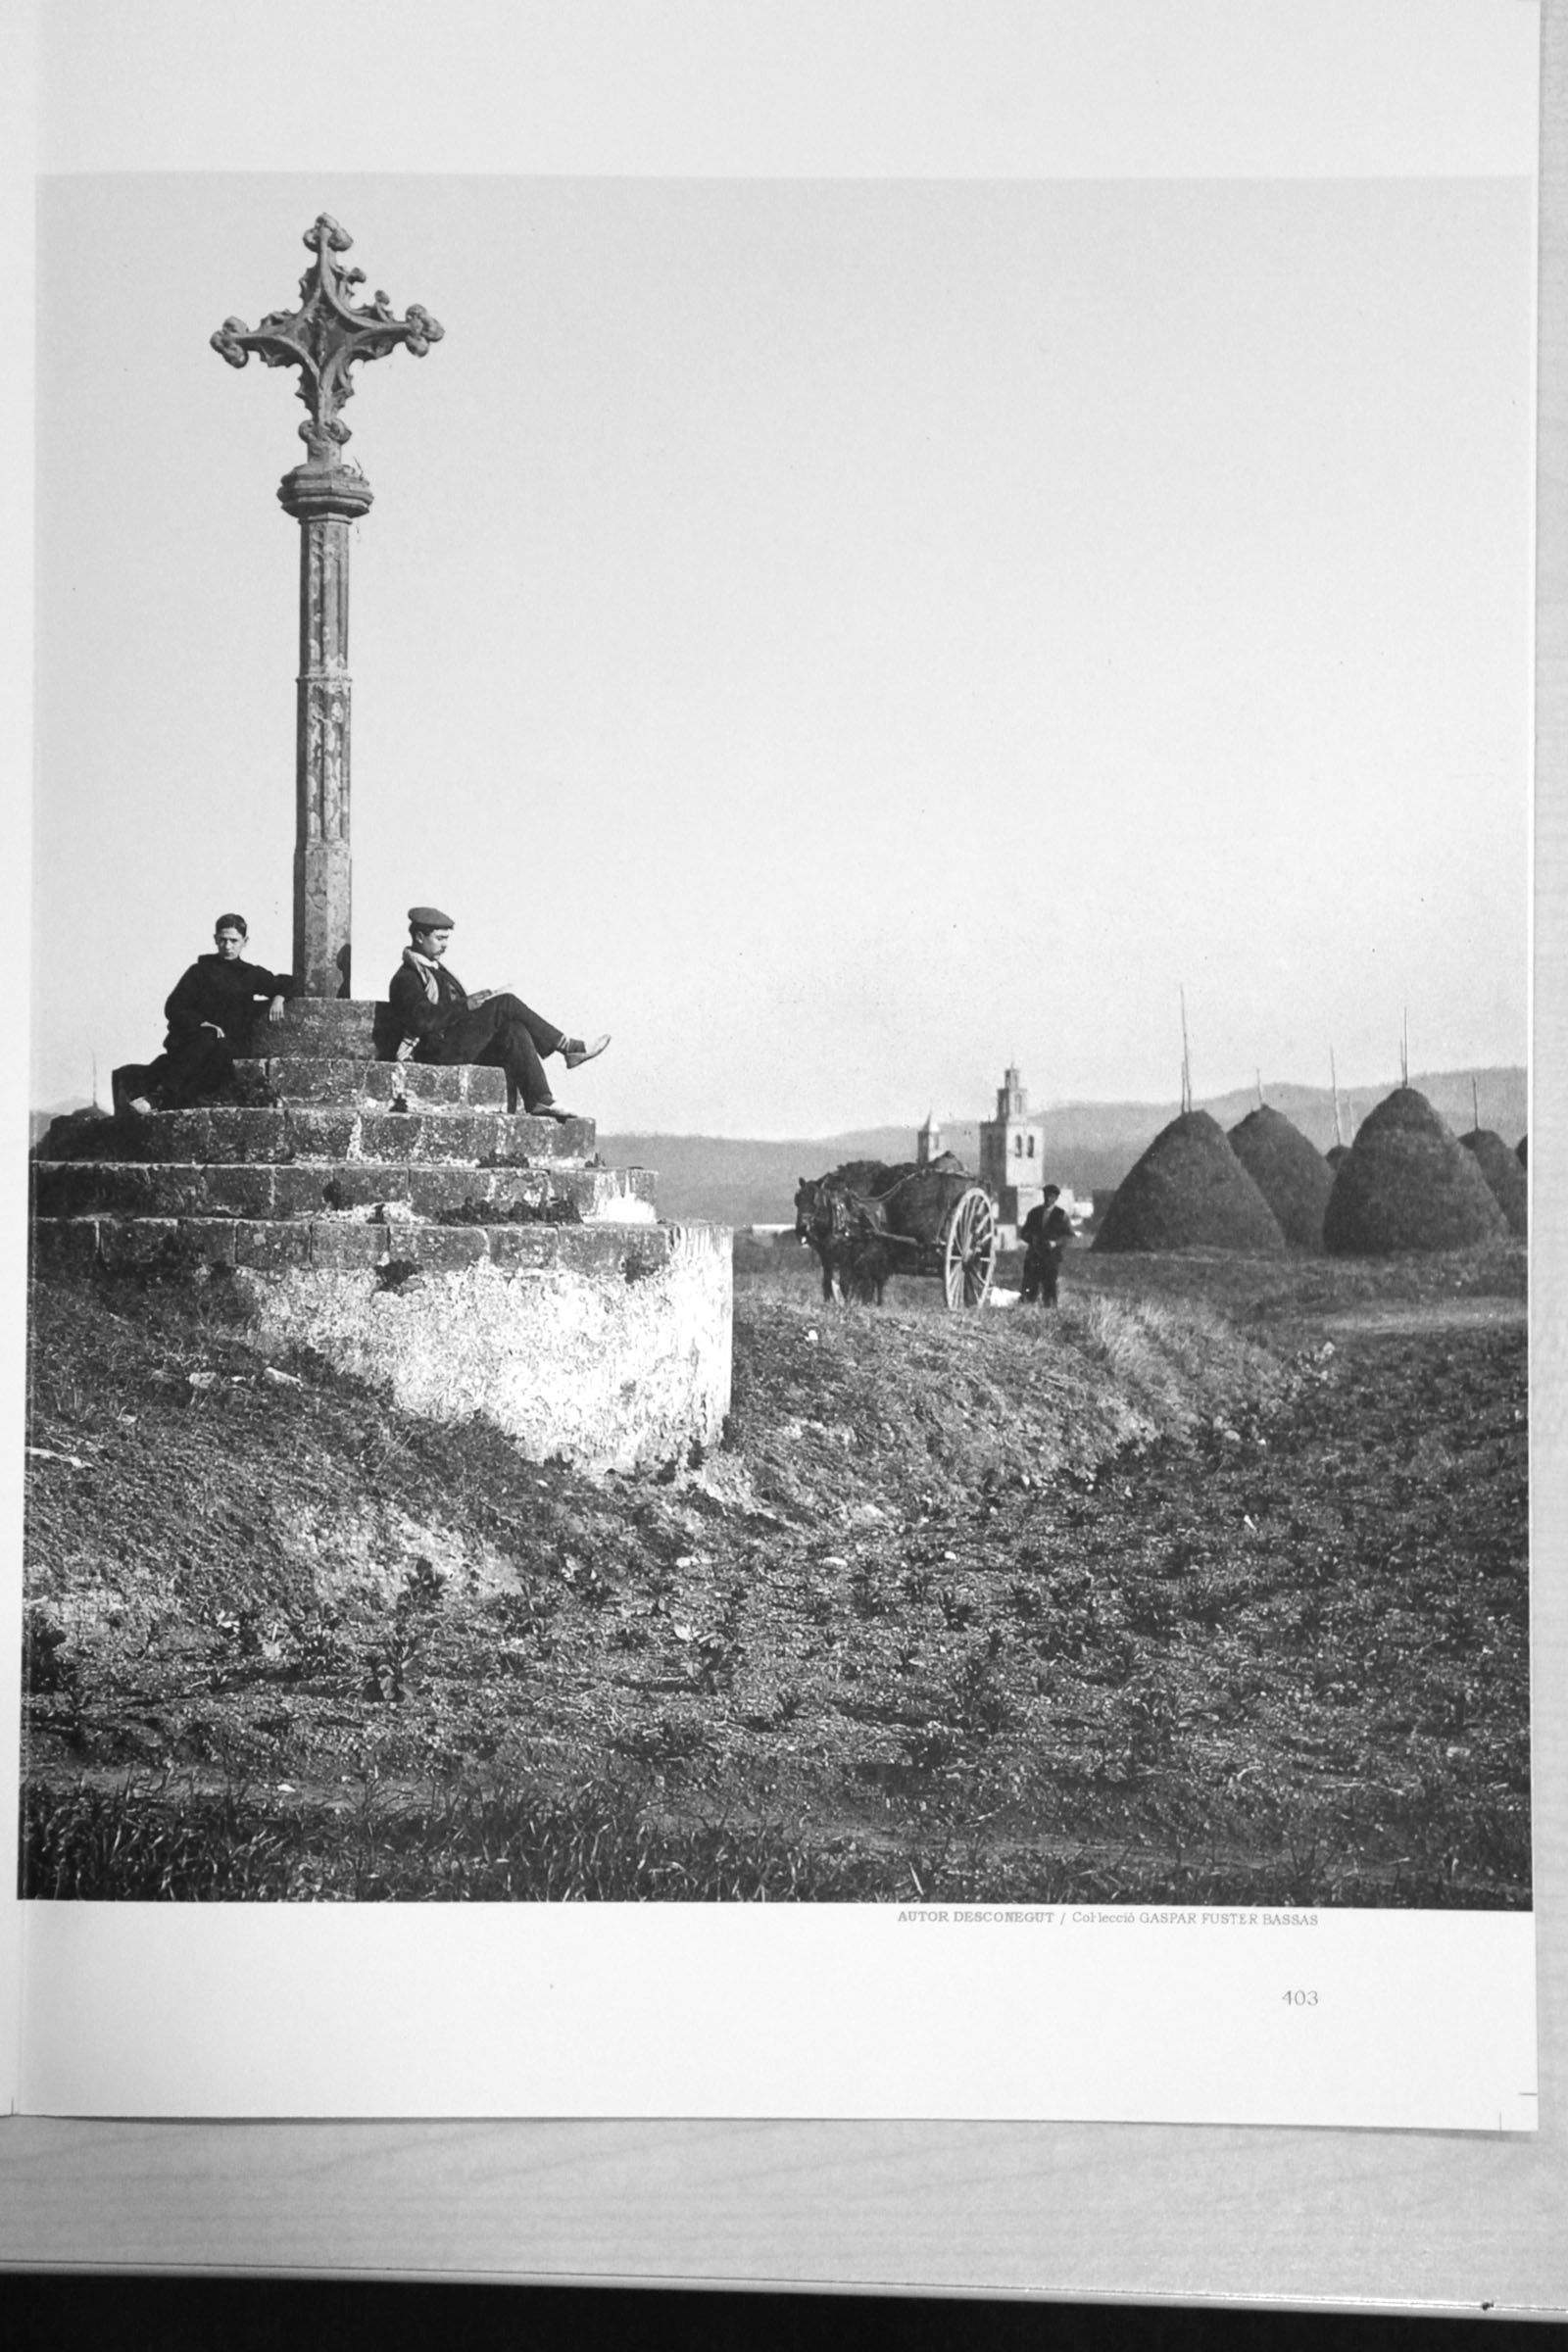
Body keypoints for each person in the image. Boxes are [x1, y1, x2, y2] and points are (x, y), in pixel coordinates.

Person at [386, 906, 609, 1121]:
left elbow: (449, 1009)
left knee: (514, 1029)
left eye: (447, 939)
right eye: (440, 938)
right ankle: (570, 1047)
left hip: (454, 1044)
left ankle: (541, 1099)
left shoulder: (437, 971)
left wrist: (473, 1003)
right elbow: (422, 1020)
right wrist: (466, 1006)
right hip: (435, 1052)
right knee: (506, 1003)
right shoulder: (406, 978)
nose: (445, 945)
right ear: (419, 937)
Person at [122, 914, 296, 1113]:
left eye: (234, 940)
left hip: (230, 1045)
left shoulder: (250, 974)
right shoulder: (199, 972)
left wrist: (279, 997)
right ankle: (159, 1097)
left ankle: (163, 1098)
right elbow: (174, 1006)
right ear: (215, 939)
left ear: (245, 942)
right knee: (204, 1040)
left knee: (212, 1060)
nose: (228, 946)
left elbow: (290, 982)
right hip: (196, 1039)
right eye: (223, 940)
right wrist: (200, 1023)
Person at [1019, 1186, 1074, 1307]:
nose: (1048, 1198)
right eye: (1046, 1195)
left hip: (1051, 1257)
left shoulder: (1062, 1215)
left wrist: (1055, 1243)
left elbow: (1069, 1236)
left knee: (1050, 1288)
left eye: (1052, 1196)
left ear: (1056, 1198)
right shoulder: (1034, 1213)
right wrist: (1031, 1239)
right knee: (1029, 1286)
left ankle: (1050, 1313)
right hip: (1034, 1256)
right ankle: (1027, 1310)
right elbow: (1023, 1232)